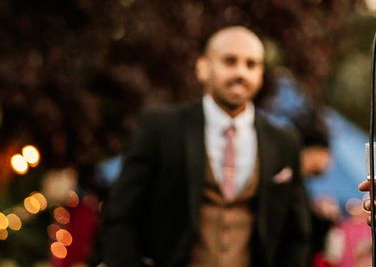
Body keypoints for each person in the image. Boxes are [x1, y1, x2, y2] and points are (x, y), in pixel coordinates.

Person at [100, 26, 311, 267]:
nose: (241, 72)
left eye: (251, 64)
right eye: (229, 61)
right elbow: (120, 216)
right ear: (203, 68)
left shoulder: (284, 142)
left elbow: (297, 234)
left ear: (261, 74)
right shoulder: (160, 128)